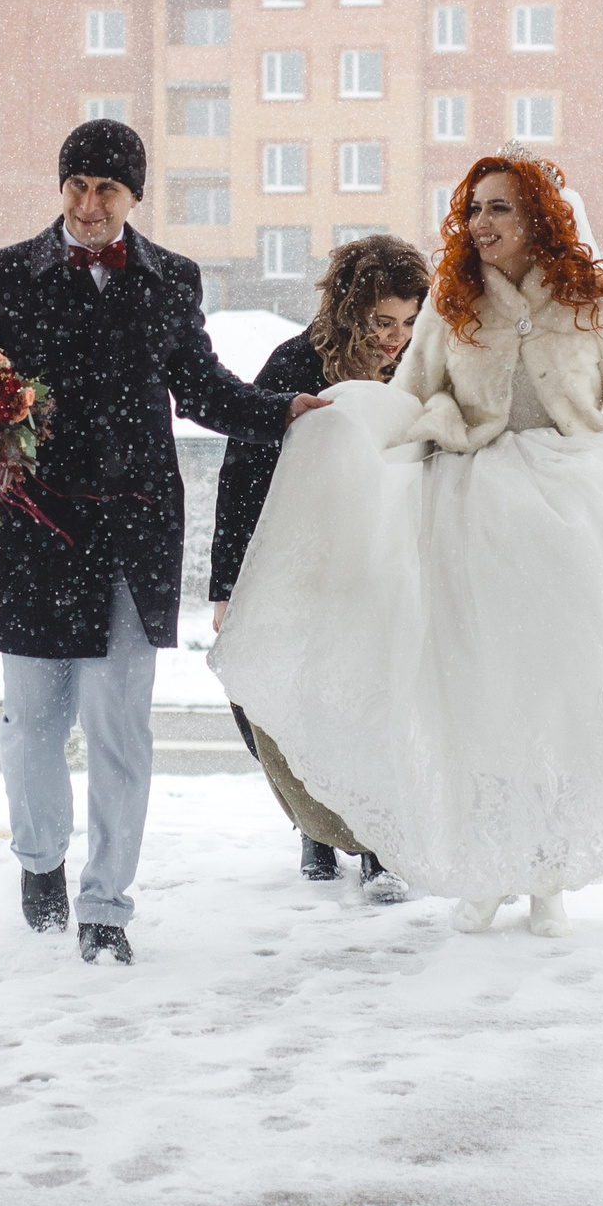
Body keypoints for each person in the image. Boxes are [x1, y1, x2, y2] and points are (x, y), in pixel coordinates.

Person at [209, 150, 603, 938]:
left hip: (572, 521)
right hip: (472, 517)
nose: (481, 223)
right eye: (475, 208)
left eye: (500, 209)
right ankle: (492, 869)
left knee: (559, 700)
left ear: (540, 220)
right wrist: (347, 425)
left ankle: (548, 873)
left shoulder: (595, 304)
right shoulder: (452, 304)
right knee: (479, 703)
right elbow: (414, 394)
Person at [0, 119, 327, 963]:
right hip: (34, 530)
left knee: (120, 728)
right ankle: (40, 859)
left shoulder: (169, 281)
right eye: (77, 187)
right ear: (60, 189)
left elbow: (200, 387)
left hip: (129, 533)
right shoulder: (2, 275)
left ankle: (107, 906)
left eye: (107, 190)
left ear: (134, 197)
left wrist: (282, 410)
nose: (90, 206)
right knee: (31, 724)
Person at [206, 234, 432, 896]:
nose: (396, 339)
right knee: (290, 697)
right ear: (349, 310)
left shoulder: (420, 365)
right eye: (382, 323)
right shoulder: (295, 363)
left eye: (409, 323)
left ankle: (381, 844)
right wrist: (228, 584)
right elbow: (242, 474)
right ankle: (315, 823)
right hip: (304, 561)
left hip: (387, 561)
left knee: (380, 699)